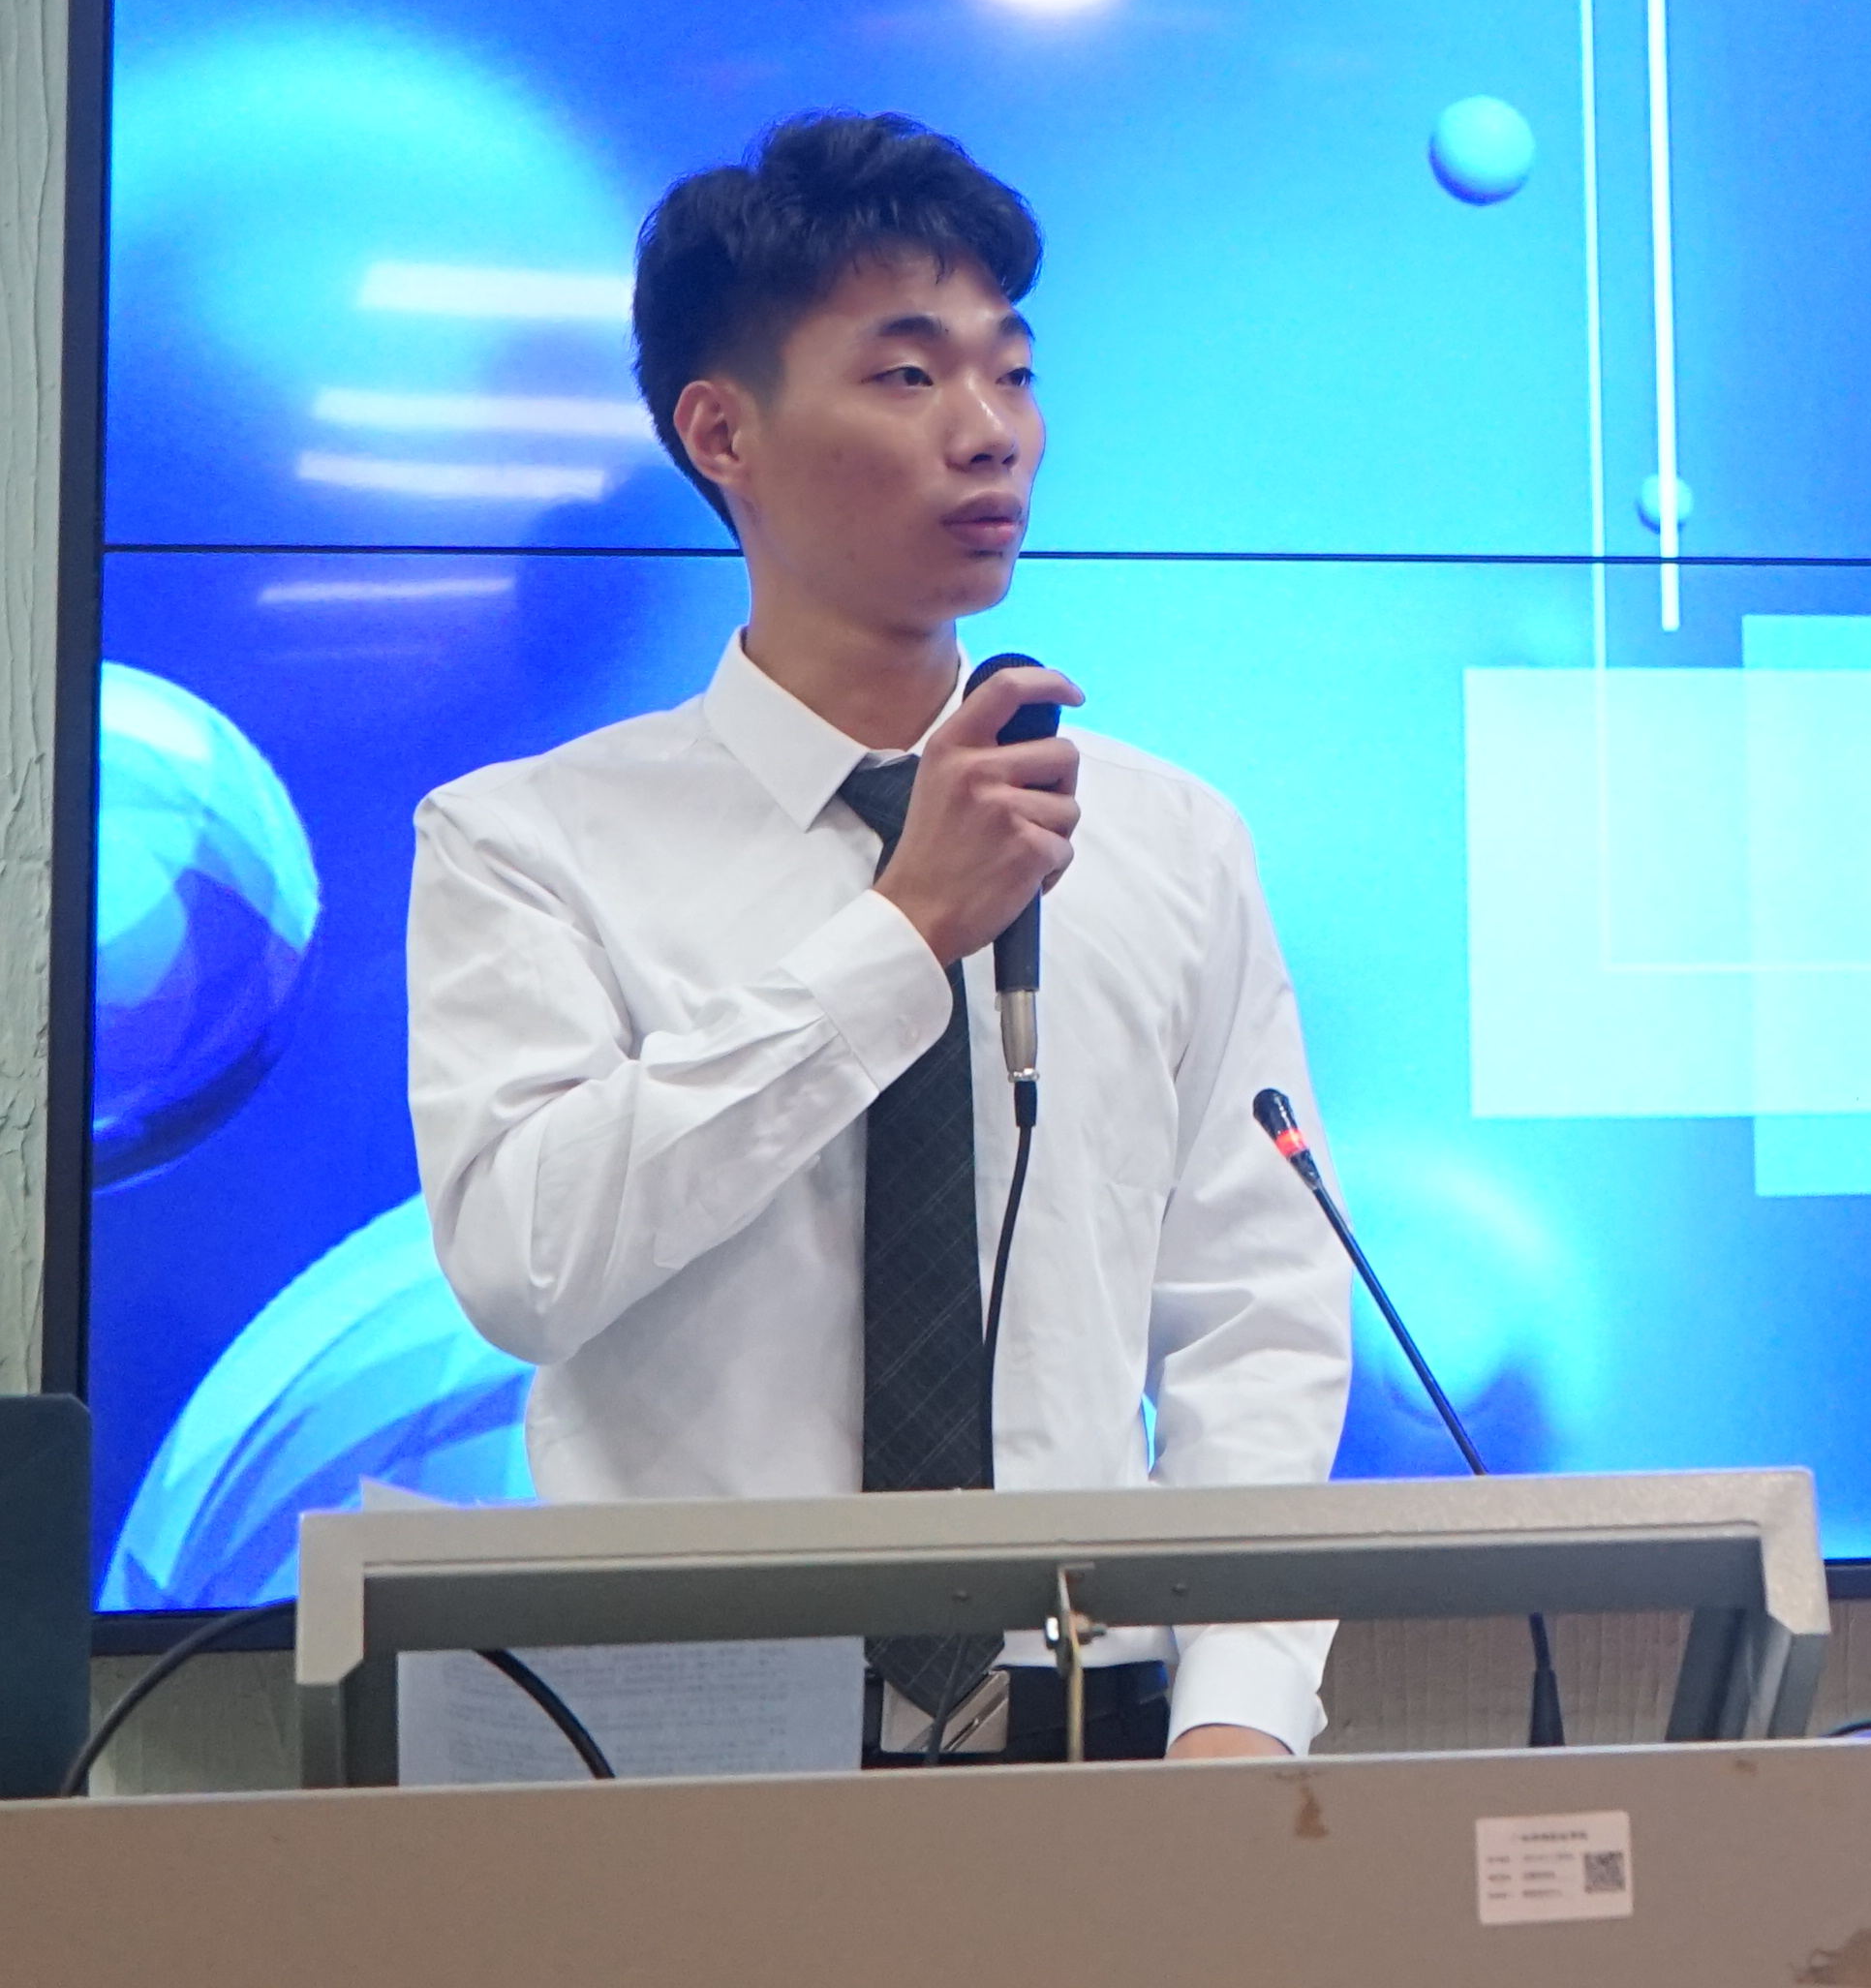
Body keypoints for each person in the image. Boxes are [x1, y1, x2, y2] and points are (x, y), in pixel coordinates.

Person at [406, 111, 1348, 1763]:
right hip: (687, 1744)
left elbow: (1256, 1306)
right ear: (722, 431)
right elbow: (524, 1265)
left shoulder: (1170, 839)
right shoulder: (526, 841)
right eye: (909, 377)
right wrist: (902, 935)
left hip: (1101, 1728)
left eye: (1014, 374)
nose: (988, 435)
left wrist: (1243, 1716)